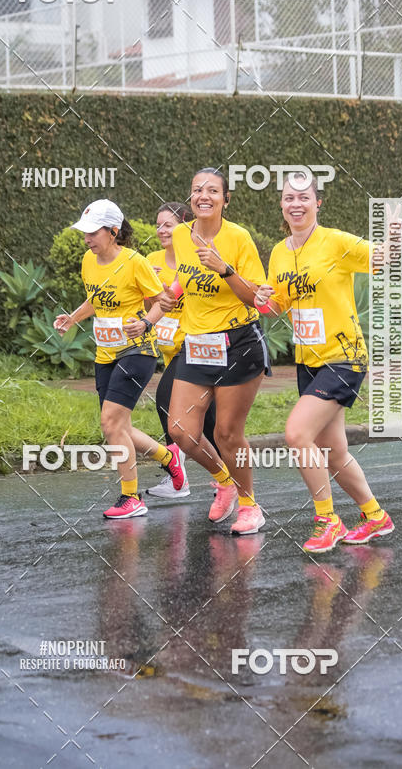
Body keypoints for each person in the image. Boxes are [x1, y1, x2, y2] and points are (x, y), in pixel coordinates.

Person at [256, 172, 401, 552]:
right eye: (289, 198)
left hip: (344, 357)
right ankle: (374, 516)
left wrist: (394, 236)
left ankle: (327, 519)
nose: (296, 204)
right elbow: (276, 307)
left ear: (317, 203)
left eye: (304, 197)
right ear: (282, 206)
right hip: (309, 362)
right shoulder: (279, 251)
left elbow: (382, 259)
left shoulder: (335, 242)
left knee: (296, 434)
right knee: (333, 452)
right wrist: (261, 299)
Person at [54, 199, 186, 519]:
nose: (86, 238)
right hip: (105, 352)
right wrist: (73, 318)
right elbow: (95, 299)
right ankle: (169, 460)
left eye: (92, 232)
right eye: (84, 232)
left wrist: (146, 323)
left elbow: (163, 301)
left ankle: (132, 498)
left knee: (110, 423)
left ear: (113, 232)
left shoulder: (134, 262)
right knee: (120, 425)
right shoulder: (88, 260)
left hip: (137, 349)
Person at [162, 169, 271, 535]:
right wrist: (167, 298)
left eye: (212, 190)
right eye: (196, 190)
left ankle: (249, 504)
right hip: (197, 344)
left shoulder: (238, 238)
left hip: (237, 342)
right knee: (180, 429)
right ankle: (223, 480)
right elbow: (184, 277)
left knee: (227, 433)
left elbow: (255, 297)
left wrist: (223, 268)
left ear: (226, 198)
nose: (203, 196)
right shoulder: (181, 233)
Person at [145, 202, 219, 500]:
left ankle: (178, 478)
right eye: (158, 224)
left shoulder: (196, 259)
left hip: (196, 344)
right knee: (211, 422)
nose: (161, 230)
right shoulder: (151, 259)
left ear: (185, 226)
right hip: (169, 348)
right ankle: (230, 478)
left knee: (165, 399)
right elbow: (146, 302)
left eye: (168, 224)